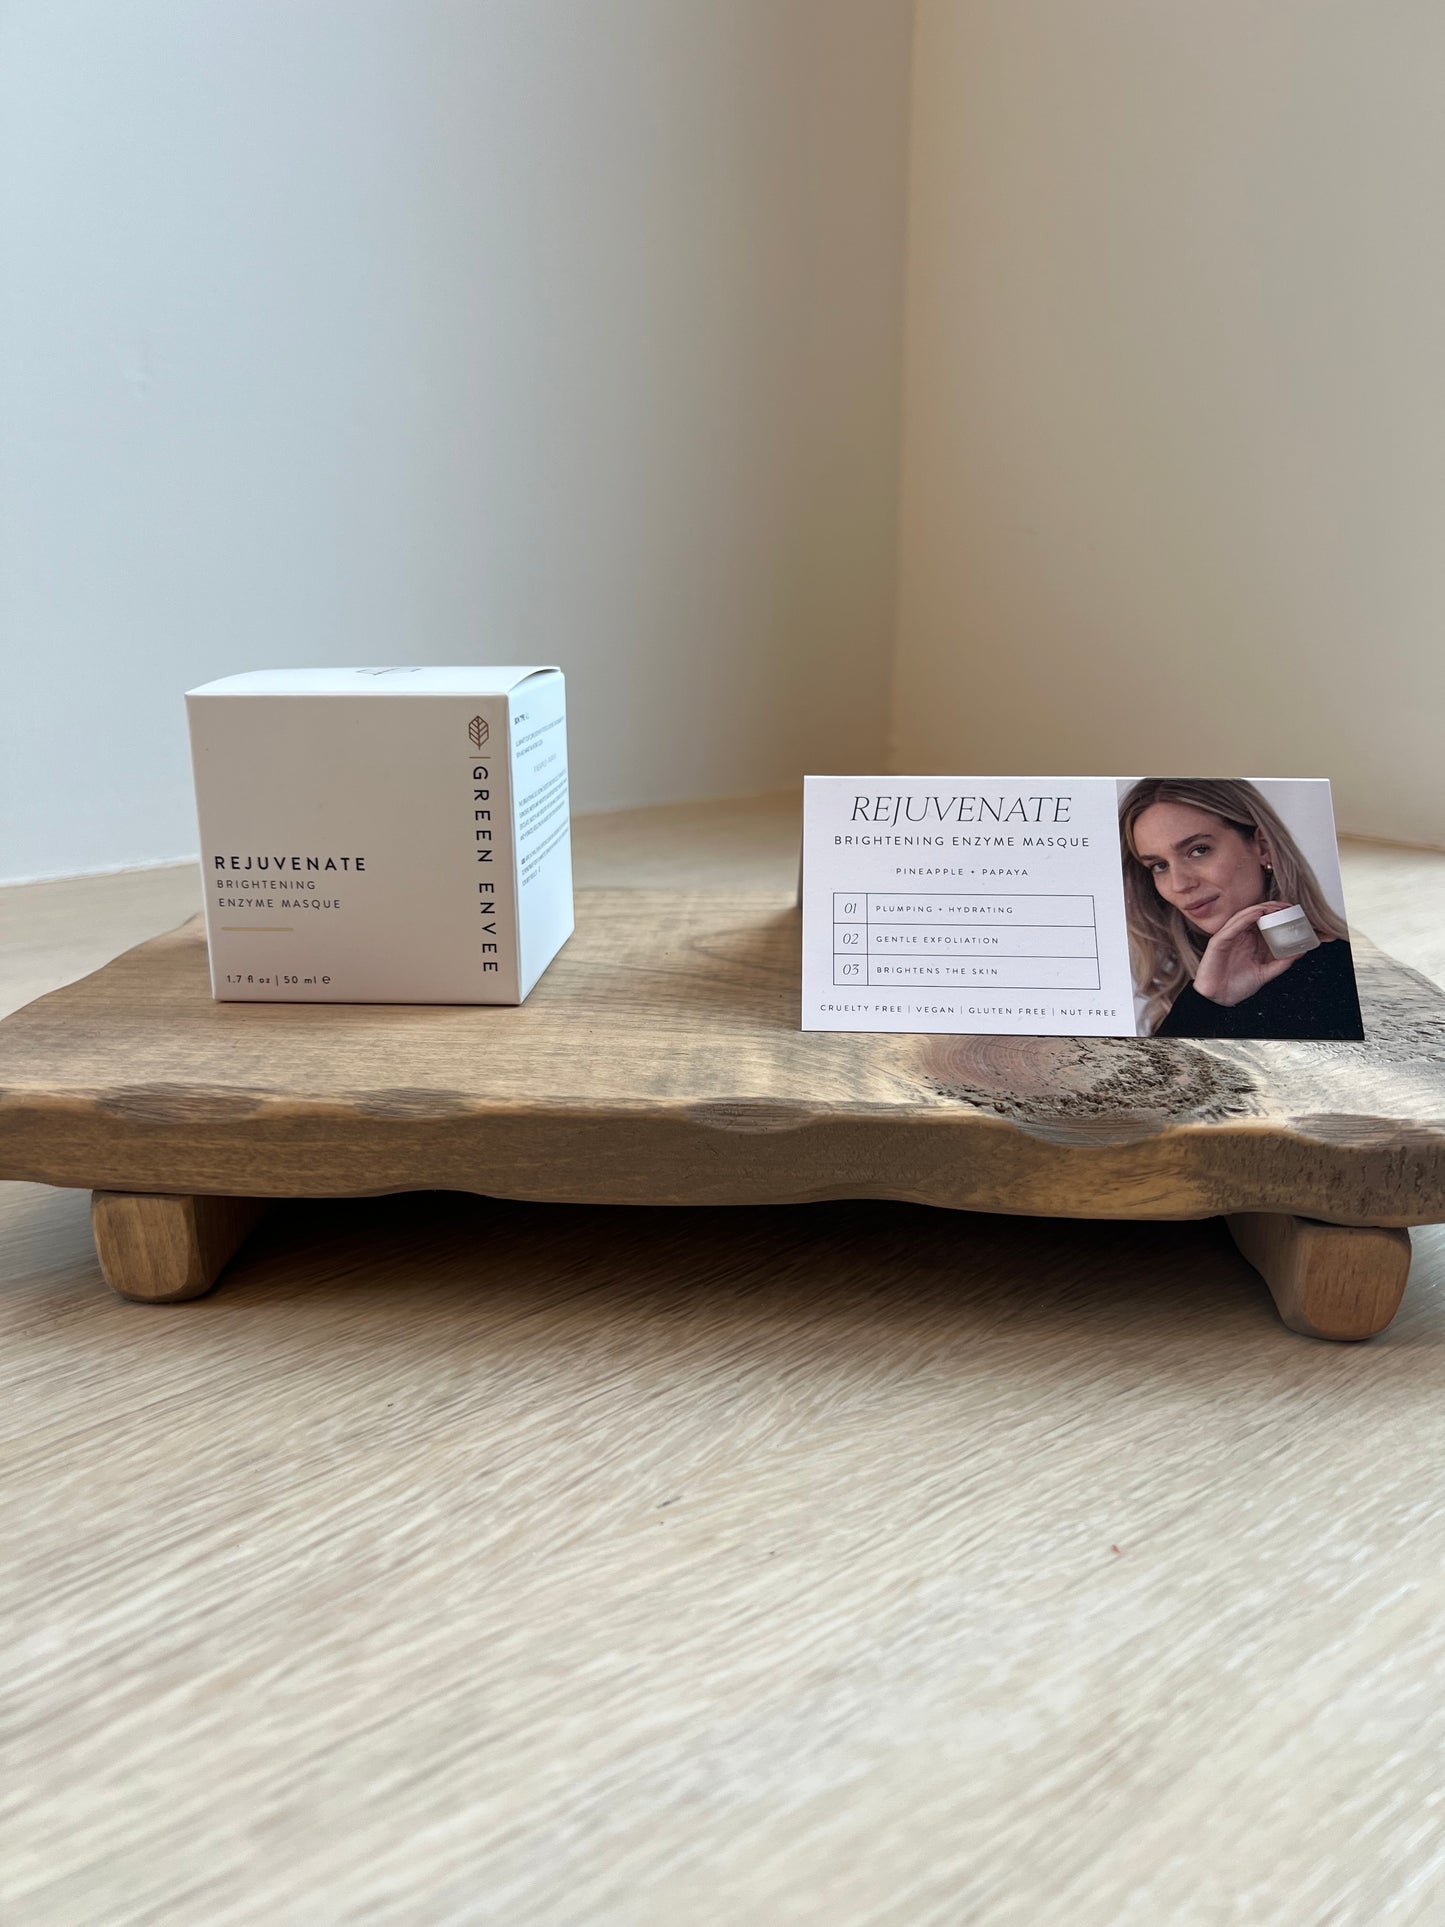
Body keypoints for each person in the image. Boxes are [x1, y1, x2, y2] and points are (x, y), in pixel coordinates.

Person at [1118, 777, 1363, 1039]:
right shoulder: (1187, 992)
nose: (1179, 884)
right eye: (1159, 865)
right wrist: (1206, 1000)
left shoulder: (1345, 974)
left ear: (1263, 847)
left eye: (1198, 850)